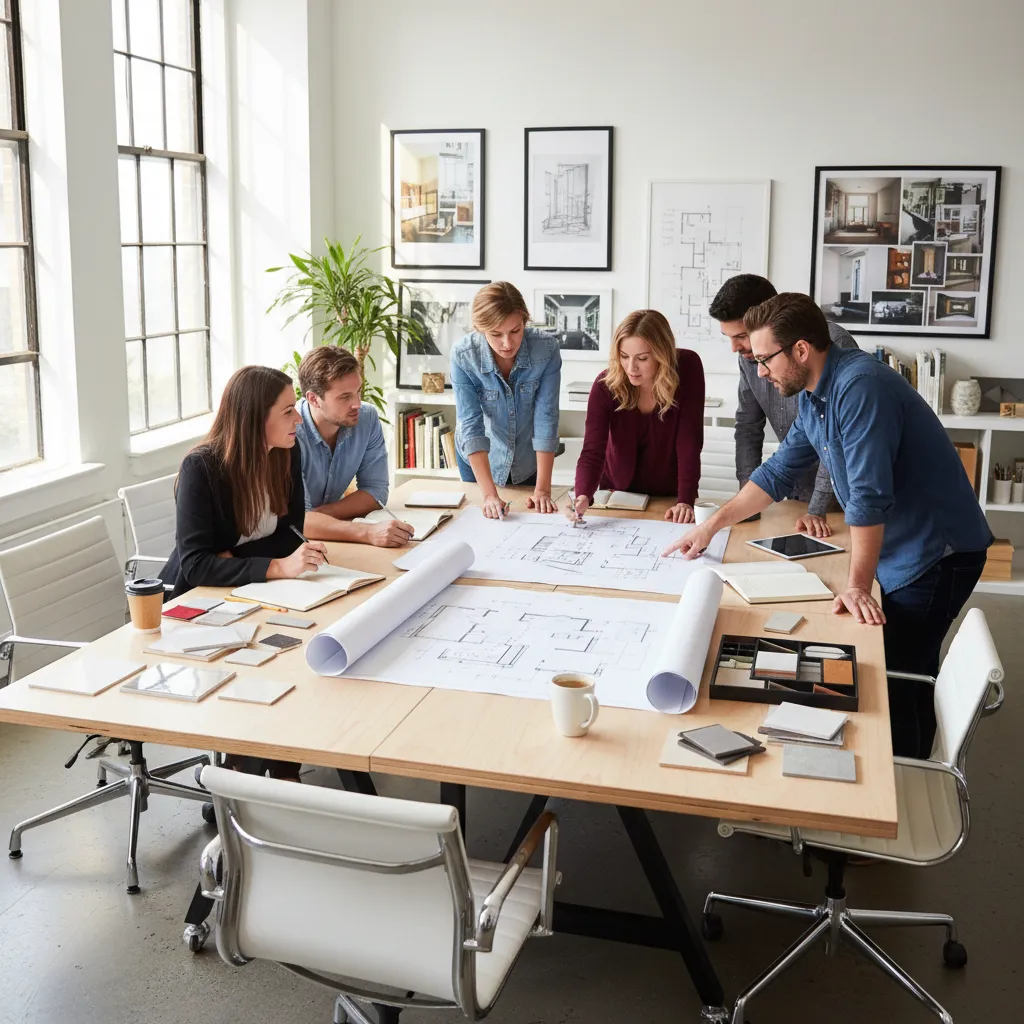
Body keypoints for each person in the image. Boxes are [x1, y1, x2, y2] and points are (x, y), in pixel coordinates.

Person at [665, 293, 992, 759]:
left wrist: (858, 585)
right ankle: (905, 762)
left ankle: (908, 774)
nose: (760, 371)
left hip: (938, 553)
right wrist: (712, 524)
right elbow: (777, 473)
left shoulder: (860, 387)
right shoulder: (815, 396)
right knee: (896, 665)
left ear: (800, 350)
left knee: (899, 673)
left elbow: (867, 497)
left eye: (764, 359)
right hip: (906, 548)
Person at [161, 364, 329, 780]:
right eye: (288, 411)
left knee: (300, 652)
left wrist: (238, 556)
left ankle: (276, 771)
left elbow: (291, 536)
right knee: (272, 661)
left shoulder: (286, 455)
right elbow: (196, 563)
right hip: (196, 605)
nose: (297, 420)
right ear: (258, 417)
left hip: (251, 591)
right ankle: (247, 776)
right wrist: (272, 565)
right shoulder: (203, 469)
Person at [708, 274, 860, 538]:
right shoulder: (749, 355)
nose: (735, 348)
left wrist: (817, 508)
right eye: (728, 337)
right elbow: (748, 426)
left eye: (741, 336)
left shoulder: (831, 344)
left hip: (840, 498)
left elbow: (836, 439)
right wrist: (747, 498)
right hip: (792, 489)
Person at [567, 309, 704, 525]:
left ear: (662, 353)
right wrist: (583, 495)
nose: (631, 367)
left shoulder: (687, 368)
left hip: (668, 498)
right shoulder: (605, 386)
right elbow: (593, 451)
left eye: (642, 358)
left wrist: (686, 500)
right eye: (624, 356)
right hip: (617, 495)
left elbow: (689, 442)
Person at [450, 282, 561, 519]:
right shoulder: (463, 355)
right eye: (496, 334)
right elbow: (471, 423)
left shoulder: (547, 349)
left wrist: (542, 489)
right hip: (479, 459)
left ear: (525, 321)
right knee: (486, 524)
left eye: (515, 330)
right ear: (480, 328)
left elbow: (546, 417)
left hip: (527, 457)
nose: (507, 344)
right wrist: (489, 495)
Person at [295, 346, 413, 547]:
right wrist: (368, 532)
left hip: (331, 536)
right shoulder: (289, 432)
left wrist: (320, 517)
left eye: (358, 392)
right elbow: (298, 521)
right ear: (314, 399)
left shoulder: (366, 417)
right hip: (291, 545)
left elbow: (376, 491)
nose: (357, 403)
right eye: (345, 397)